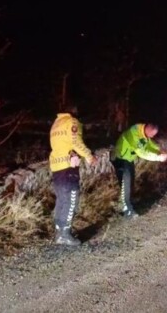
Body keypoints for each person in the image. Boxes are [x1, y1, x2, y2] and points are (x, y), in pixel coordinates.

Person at [48, 103, 97, 245]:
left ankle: (59, 231)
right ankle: (65, 234)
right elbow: (76, 142)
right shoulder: (72, 122)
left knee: (62, 199)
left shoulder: (56, 124)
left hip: (56, 166)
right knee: (71, 199)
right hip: (68, 166)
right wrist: (89, 156)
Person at [112, 123, 167, 218]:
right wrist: (158, 157)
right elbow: (141, 152)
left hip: (128, 158)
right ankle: (128, 211)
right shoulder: (134, 134)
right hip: (121, 158)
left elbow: (148, 144)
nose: (152, 136)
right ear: (148, 129)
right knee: (126, 185)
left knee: (129, 184)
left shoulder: (143, 133)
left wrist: (159, 150)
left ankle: (126, 204)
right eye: (152, 134)